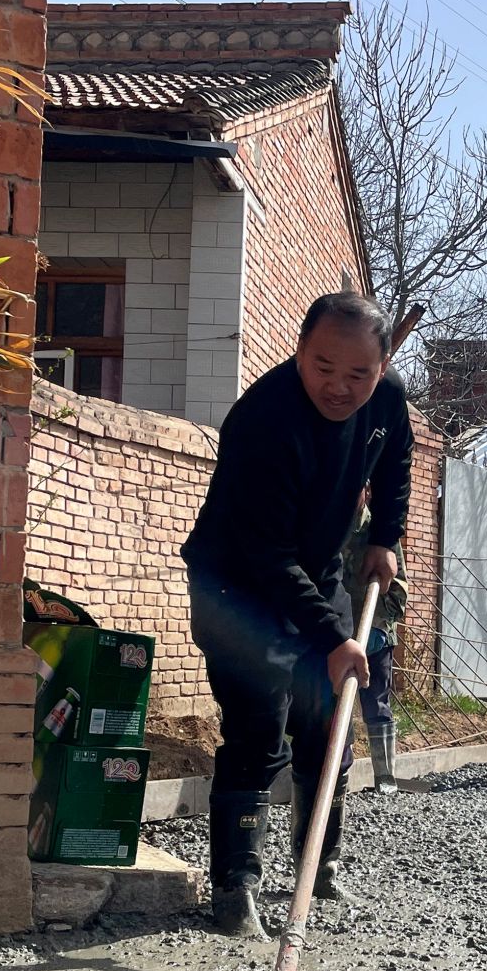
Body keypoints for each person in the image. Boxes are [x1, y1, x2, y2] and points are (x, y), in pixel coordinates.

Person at [181, 293, 413, 936]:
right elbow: (266, 557)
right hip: (236, 587)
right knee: (259, 728)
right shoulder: (264, 421)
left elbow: (397, 459)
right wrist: (335, 638)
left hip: (315, 571)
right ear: (300, 349)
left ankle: (320, 866)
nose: (339, 387)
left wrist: (384, 537)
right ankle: (235, 888)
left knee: (327, 720)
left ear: (382, 367)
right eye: (323, 367)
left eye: (358, 374)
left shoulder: (387, 399)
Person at [341, 492, 410, 794]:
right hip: (340, 634)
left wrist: (379, 626)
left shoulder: (381, 532)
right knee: (337, 704)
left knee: (377, 703)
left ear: (366, 491)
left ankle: (385, 776)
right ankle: (339, 770)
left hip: (376, 634)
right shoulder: (332, 525)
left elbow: (400, 588)